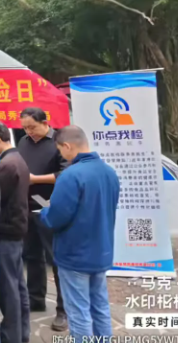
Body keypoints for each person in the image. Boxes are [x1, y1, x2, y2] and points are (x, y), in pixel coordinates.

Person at [40, 126, 120, 343]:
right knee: (100, 307)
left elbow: (56, 217)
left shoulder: (70, 176)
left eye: (60, 150)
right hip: (101, 252)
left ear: (67, 146)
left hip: (74, 254)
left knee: (78, 313)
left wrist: (45, 212)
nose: (61, 155)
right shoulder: (109, 172)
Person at [18, 107, 68, 331]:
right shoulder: (23, 142)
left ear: (45, 123)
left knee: (56, 259)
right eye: (25, 128)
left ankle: (63, 310)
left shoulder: (60, 141)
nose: (29, 132)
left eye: (32, 127)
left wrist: (36, 179)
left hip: (51, 207)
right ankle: (35, 299)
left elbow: (66, 174)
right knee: (31, 255)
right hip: (27, 207)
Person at [0, 121, 30, 343]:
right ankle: (22, 333)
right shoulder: (17, 159)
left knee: (8, 289)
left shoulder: (6, 165)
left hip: (6, 231)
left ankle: (11, 336)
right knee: (18, 287)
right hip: (16, 230)